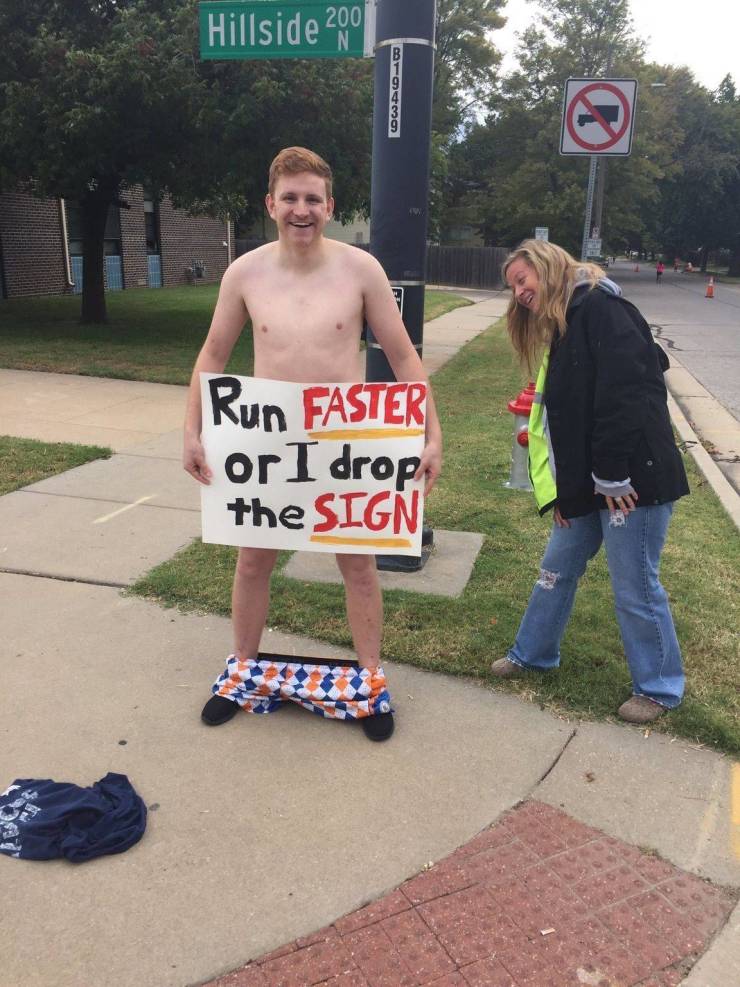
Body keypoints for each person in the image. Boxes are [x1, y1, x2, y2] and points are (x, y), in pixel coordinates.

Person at [183, 147, 442, 742]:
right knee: (253, 561)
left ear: (331, 206)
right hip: (265, 445)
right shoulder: (244, 272)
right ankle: (243, 671)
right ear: (271, 204)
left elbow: (403, 356)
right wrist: (192, 429)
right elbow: (214, 356)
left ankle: (370, 681)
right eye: (290, 198)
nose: (302, 210)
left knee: (358, 564)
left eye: (313, 199)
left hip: (346, 442)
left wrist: (431, 432)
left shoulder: (361, 270)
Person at [491, 239, 689, 724]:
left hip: (633, 483)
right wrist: (571, 494)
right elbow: (571, 421)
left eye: (523, 279)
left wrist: (613, 477)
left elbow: (630, 398)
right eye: (512, 286)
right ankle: (532, 654)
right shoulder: (566, 321)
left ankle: (659, 687)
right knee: (554, 571)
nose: (518, 292)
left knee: (636, 587)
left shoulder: (605, 310)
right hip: (595, 484)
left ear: (549, 268)